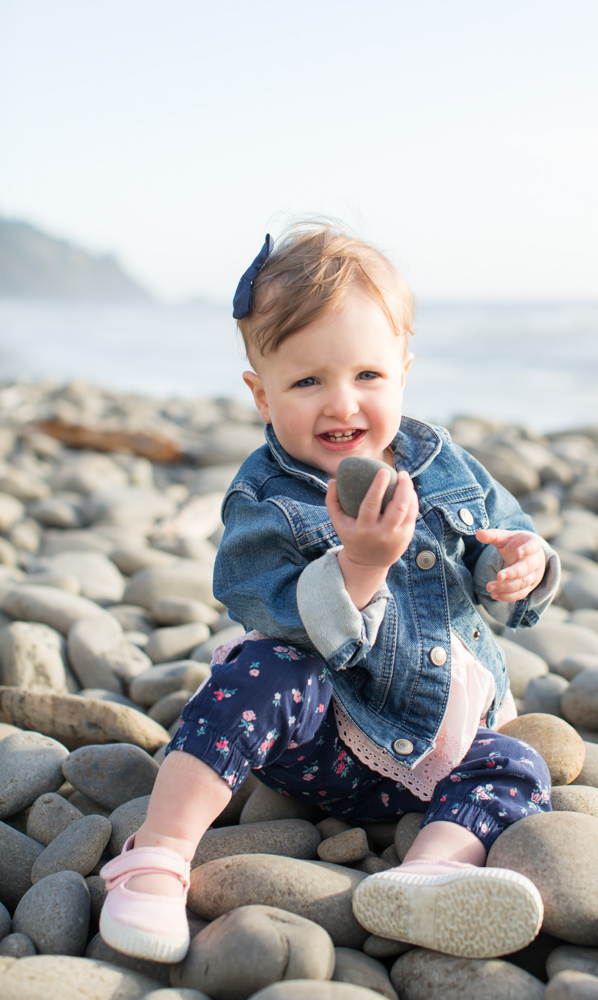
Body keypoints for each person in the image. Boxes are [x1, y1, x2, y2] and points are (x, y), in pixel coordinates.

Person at [99, 223, 560, 964]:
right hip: (318, 733)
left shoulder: (444, 464)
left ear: (402, 373)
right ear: (261, 394)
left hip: (433, 735)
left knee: (517, 765)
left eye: (367, 377)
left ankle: (429, 872)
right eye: (307, 382)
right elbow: (267, 604)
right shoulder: (268, 495)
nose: (341, 404)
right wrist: (361, 565)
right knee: (257, 676)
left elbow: (501, 547)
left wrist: (521, 564)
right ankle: (155, 855)